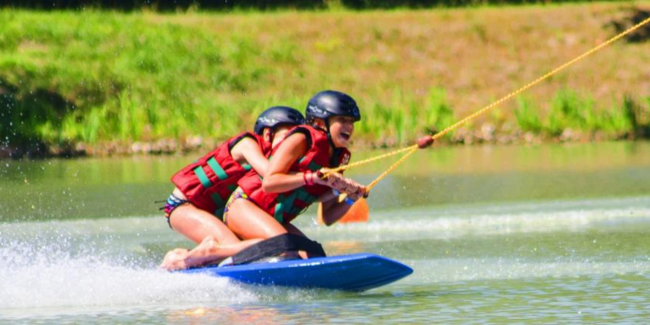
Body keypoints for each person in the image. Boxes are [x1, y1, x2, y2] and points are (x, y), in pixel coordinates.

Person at [159, 106, 305, 270]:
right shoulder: (247, 145)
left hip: (221, 214)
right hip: (184, 206)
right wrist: (310, 176)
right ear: (267, 134)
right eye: (288, 137)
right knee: (263, 246)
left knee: (300, 250)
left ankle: (188, 257)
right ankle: (181, 259)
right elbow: (268, 174)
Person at [223, 90, 368, 249]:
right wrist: (312, 177)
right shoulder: (302, 139)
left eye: (351, 121)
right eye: (342, 119)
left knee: (314, 253)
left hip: (273, 218)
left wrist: (350, 197)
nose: (349, 126)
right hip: (244, 206)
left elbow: (328, 217)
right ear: (320, 123)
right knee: (286, 247)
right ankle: (213, 252)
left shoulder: (338, 158)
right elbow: (270, 183)